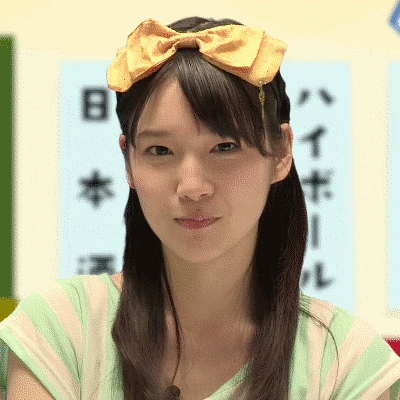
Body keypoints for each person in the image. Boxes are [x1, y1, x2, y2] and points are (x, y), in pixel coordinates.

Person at [1, 16, 400, 400]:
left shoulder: (344, 361)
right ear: (128, 161)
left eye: (224, 147)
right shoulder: (61, 329)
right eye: (160, 150)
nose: (192, 187)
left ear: (281, 152)